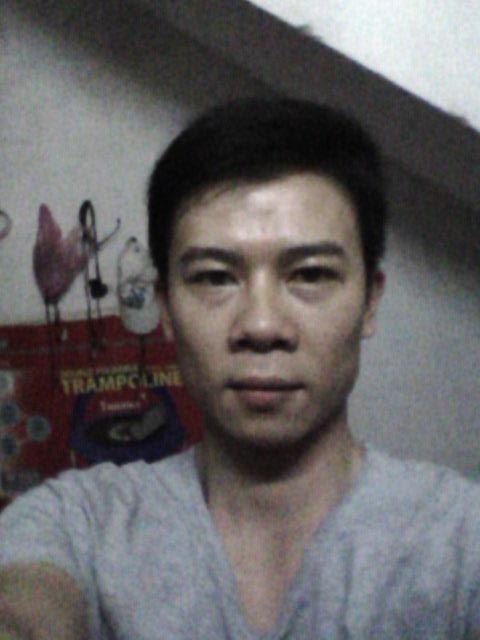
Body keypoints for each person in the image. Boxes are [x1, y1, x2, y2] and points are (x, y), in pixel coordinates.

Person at [0, 97, 479, 640]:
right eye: (214, 277)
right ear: (165, 308)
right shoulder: (79, 523)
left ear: (370, 300)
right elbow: (27, 603)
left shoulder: (461, 539)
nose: (261, 325)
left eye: (311, 274)